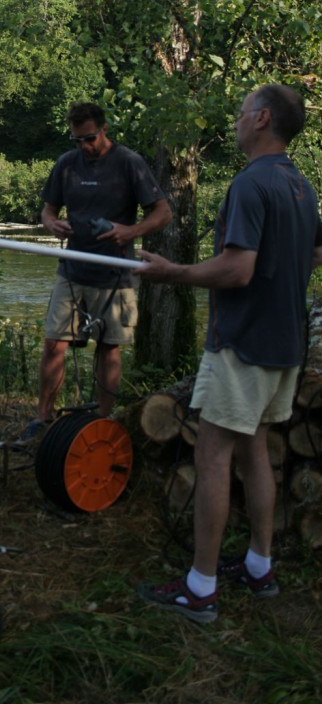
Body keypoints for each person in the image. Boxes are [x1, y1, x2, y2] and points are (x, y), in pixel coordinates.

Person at [137, 83, 322, 624]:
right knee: (255, 448)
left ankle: (200, 589)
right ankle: (260, 567)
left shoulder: (251, 184)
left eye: (243, 112)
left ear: (262, 118)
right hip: (287, 343)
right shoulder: (301, 185)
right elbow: (312, 253)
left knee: (213, 454)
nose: (237, 120)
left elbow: (237, 269)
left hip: (243, 341)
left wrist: (172, 272)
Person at [20, 102, 172, 440]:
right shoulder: (66, 164)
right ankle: (42, 418)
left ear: (104, 130)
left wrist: (130, 231)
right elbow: (47, 210)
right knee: (53, 344)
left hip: (116, 273)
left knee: (109, 347)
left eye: (89, 138)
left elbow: (163, 213)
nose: (84, 146)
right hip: (72, 270)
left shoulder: (129, 162)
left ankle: (103, 420)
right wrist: (52, 224)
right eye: (77, 140)